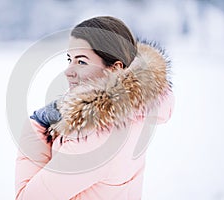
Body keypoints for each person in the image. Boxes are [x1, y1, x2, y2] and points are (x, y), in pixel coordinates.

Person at [15, 16, 175, 200]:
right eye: (70, 59)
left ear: (115, 68)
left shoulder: (92, 137)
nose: (68, 71)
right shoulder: (137, 109)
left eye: (81, 61)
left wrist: (35, 124)